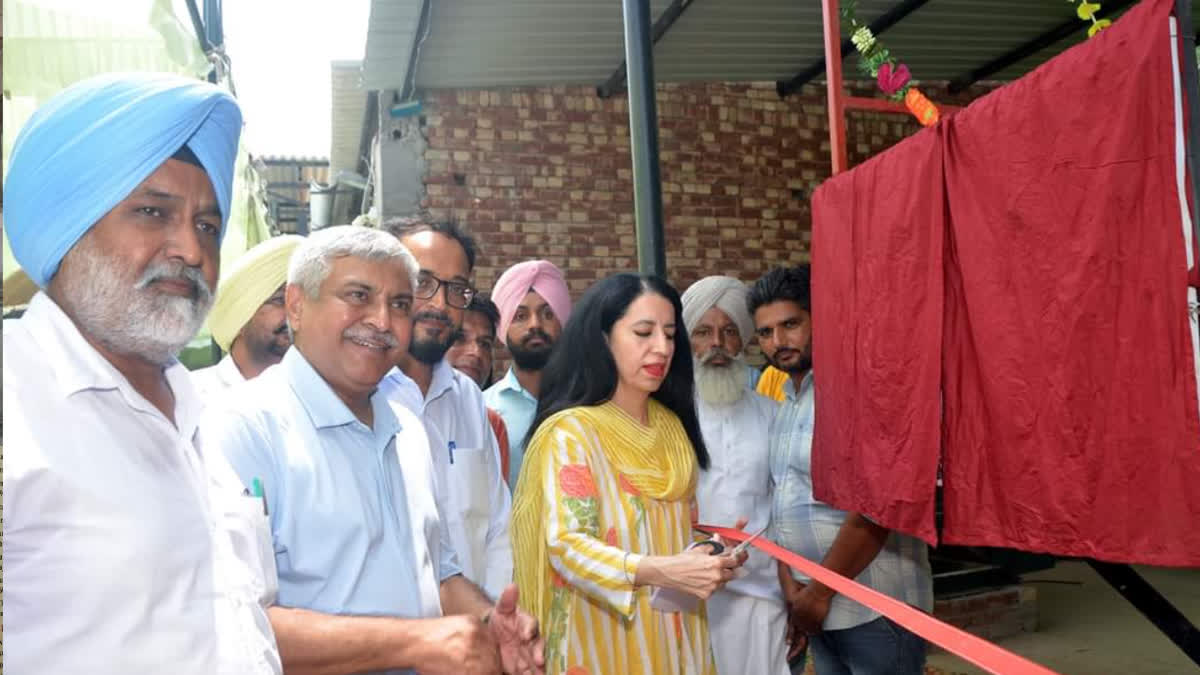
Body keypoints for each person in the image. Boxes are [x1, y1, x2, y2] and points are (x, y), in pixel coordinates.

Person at [2, 73, 279, 674]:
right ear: (68, 225)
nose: (190, 248)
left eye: (208, 225)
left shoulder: (195, 408)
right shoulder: (13, 394)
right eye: (153, 212)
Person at [205, 225, 543, 675]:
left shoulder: (406, 428)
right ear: (297, 305)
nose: (382, 321)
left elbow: (438, 572)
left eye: (400, 304)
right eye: (358, 296)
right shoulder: (242, 428)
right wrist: (414, 643)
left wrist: (488, 622)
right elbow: (233, 625)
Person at [512, 273, 746, 675]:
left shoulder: (672, 428)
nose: (662, 348)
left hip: (675, 636)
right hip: (601, 636)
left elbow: (677, 532)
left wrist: (709, 553)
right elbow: (567, 545)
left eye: (671, 335)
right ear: (603, 339)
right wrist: (662, 569)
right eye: (643, 332)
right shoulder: (573, 432)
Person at [750, 266, 932, 675]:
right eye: (765, 332)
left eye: (791, 324)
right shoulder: (784, 402)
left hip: (874, 606)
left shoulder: (861, 389)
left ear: (821, 318)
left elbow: (877, 507)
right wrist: (790, 586)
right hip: (816, 609)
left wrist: (818, 592)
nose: (778, 342)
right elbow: (781, 503)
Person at [380, 218, 513, 599]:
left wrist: (491, 623)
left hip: (472, 635)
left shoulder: (469, 400)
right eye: (422, 282)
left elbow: (497, 530)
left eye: (457, 289)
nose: (440, 304)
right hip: (387, 644)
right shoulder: (359, 397)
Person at [681, 276, 792, 675]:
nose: (716, 344)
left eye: (729, 332)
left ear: (743, 340)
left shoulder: (771, 413)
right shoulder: (670, 418)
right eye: (703, 332)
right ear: (688, 341)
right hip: (691, 595)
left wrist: (791, 590)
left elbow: (783, 508)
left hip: (762, 595)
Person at [483, 260, 572, 485]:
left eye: (547, 314)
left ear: (563, 323)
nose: (535, 325)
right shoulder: (483, 408)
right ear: (503, 329)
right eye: (520, 316)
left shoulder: (587, 400)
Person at [193, 234, 304, 393]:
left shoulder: (323, 397)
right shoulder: (195, 398)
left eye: (304, 303)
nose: (297, 313)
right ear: (239, 318)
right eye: (280, 300)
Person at [446, 293, 514, 484]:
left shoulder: (492, 424)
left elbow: (491, 510)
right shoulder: (398, 409)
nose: (476, 352)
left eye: (485, 344)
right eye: (460, 338)